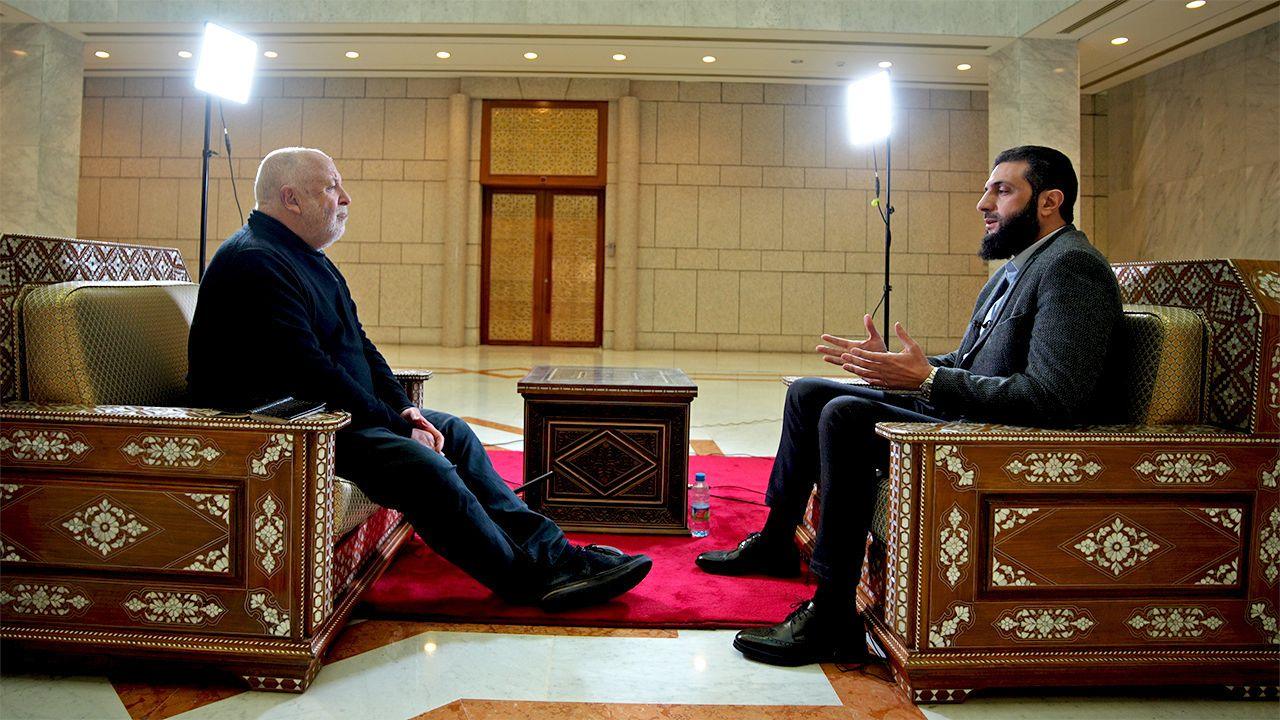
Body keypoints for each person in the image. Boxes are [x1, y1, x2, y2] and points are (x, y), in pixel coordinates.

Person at [696, 145, 1124, 666]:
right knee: (809, 392)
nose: (983, 203)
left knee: (846, 416)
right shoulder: (1017, 268)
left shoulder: (1072, 267)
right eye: (988, 189)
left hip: (999, 437)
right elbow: (970, 362)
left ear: (1050, 201)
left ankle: (833, 614)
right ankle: (776, 540)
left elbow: (1053, 397)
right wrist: (898, 367)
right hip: (969, 415)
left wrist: (928, 378)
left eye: (1002, 190)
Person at [188, 147, 652, 610]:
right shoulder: (255, 261)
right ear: (291, 199)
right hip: (281, 431)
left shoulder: (307, 257)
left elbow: (360, 348)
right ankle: (529, 579)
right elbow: (311, 373)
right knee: (422, 463)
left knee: (454, 433)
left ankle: (555, 554)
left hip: (328, 416)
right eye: (331, 187)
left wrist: (404, 409)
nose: (344, 198)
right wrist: (397, 425)